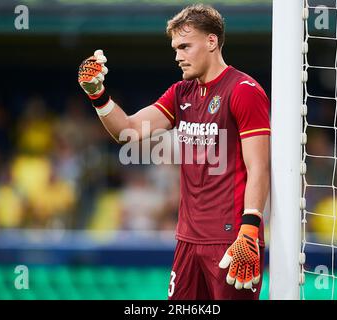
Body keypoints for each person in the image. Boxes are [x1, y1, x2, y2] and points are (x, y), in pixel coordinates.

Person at [77, 4, 270, 300]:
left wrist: (249, 230)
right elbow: (128, 129)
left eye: (184, 46)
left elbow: (259, 167)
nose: (178, 56)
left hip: (231, 241)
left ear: (211, 41)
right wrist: (97, 94)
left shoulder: (244, 90)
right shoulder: (181, 92)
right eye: (175, 48)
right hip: (187, 241)